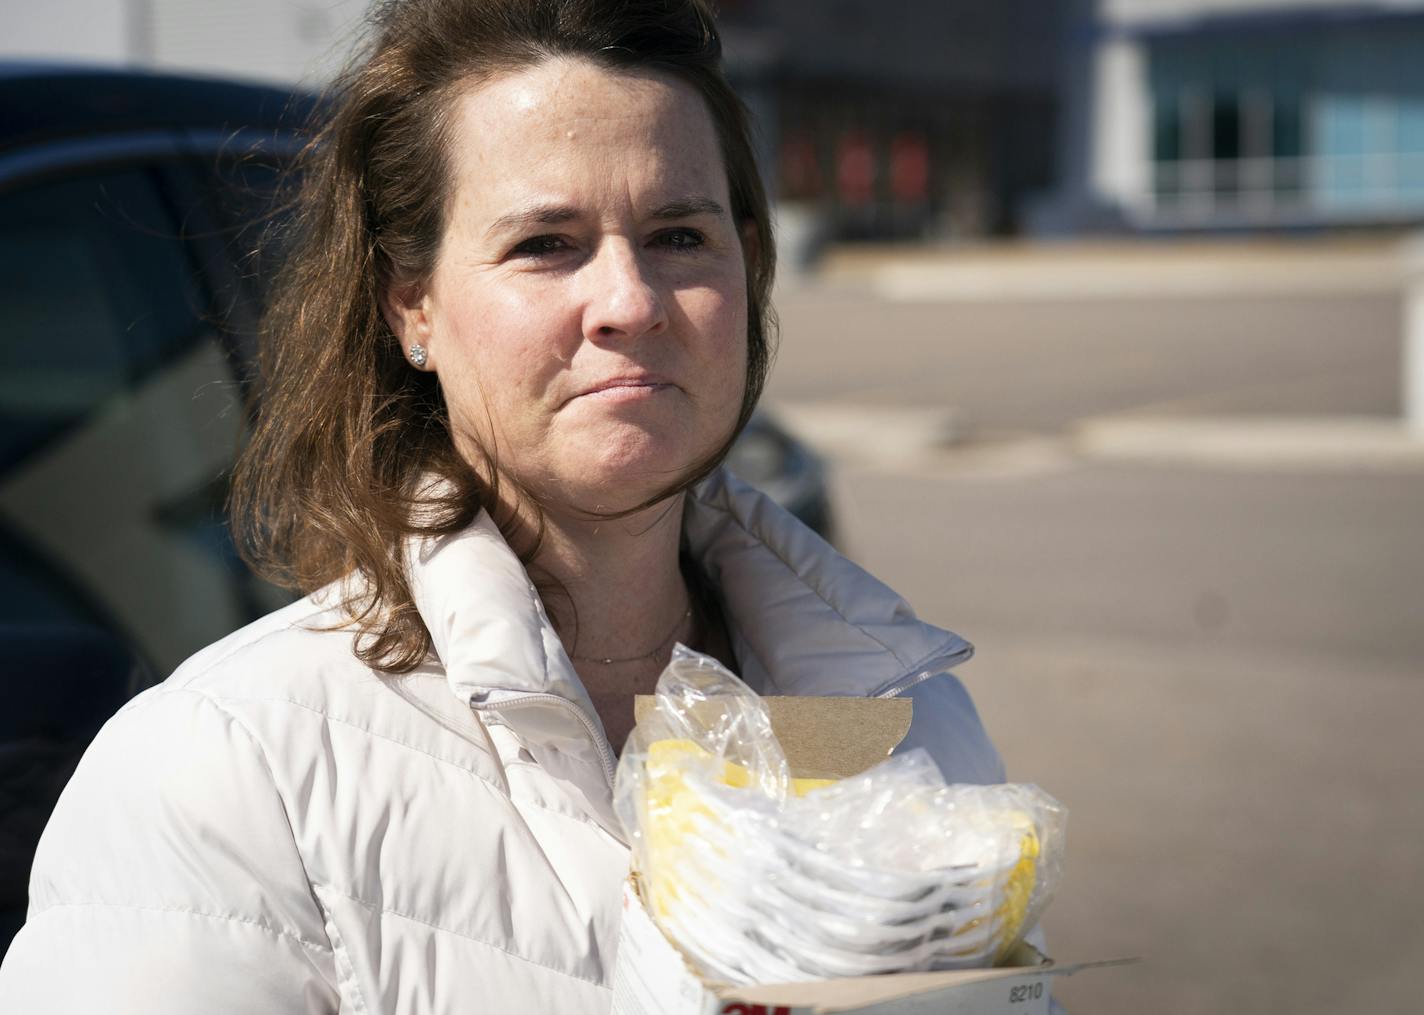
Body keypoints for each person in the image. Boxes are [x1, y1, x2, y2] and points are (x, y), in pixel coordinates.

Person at [0, 0, 1004, 1011]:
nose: (630, 300)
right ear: (412, 306)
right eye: (545, 244)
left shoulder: (902, 715)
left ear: (745, 266)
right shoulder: (224, 768)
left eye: (678, 234)